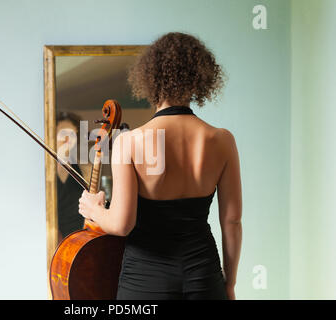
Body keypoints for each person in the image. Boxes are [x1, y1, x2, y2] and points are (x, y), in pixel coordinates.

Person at [78, 32, 242, 300]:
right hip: (203, 275)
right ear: (198, 79)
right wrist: (230, 284)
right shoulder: (222, 140)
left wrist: (94, 209)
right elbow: (232, 221)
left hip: (145, 282)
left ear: (150, 79)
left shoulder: (129, 142)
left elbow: (121, 224)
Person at [56, 111, 91, 240]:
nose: (67, 139)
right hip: (54, 238)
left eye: (72, 134)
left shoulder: (85, 168)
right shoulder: (45, 171)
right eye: (62, 133)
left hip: (80, 236)